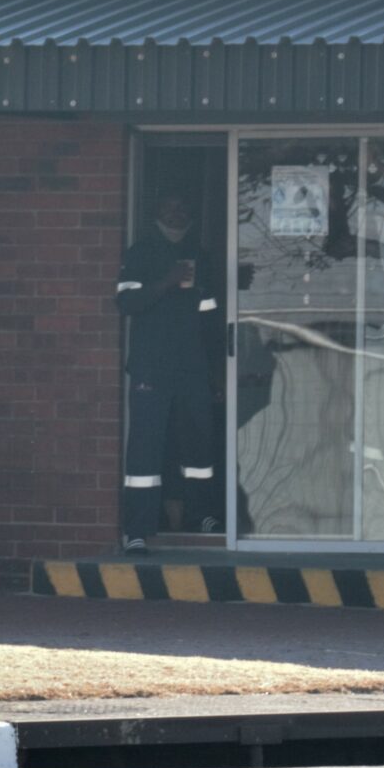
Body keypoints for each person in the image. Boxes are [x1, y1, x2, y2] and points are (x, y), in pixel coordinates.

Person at [115, 193, 222, 550]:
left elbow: (210, 317)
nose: (177, 213)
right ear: (156, 210)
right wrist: (167, 281)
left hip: (192, 366)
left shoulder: (200, 256)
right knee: (145, 446)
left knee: (199, 444)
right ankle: (137, 530)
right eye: (169, 206)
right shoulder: (141, 252)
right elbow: (127, 303)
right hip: (151, 366)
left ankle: (201, 516)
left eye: (183, 207)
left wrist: (216, 369)